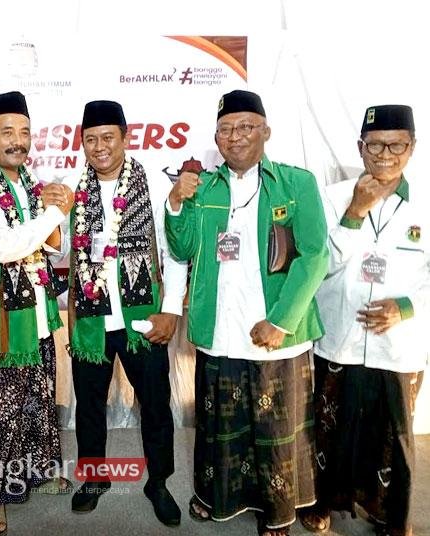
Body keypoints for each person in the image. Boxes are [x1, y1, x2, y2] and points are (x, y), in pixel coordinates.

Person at [165, 89, 329, 536]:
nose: (234, 136)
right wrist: (176, 203)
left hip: (275, 333)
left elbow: (315, 256)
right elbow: (181, 247)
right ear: (215, 137)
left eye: (245, 127)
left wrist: (281, 322)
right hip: (220, 330)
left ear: (266, 131)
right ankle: (217, 496)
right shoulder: (203, 187)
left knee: (276, 430)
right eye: (225, 129)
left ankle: (277, 512)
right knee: (221, 425)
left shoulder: (295, 183)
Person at [0, 90, 74, 536]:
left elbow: (52, 246)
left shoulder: (27, 182)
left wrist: (56, 216)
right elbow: (4, 247)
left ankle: (37, 474)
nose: (17, 141)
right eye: (7, 132)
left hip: (34, 316)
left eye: (24, 132)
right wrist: (54, 213)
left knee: (34, 405)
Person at [300, 105, 424, 536]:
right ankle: (321, 503)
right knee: (329, 428)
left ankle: (391, 515)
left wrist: (405, 306)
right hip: (339, 336)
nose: (385, 155)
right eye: (375, 146)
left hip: (399, 345)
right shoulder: (330, 197)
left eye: (396, 145)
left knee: (393, 436)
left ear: (412, 147)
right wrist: (353, 213)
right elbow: (318, 265)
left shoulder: (426, 203)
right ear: (360, 147)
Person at [65, 100, 187, 527]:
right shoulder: (73, 191)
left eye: (108, 138)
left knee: (155, 406)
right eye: (91, 139)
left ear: (126, 137)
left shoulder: (151, 186)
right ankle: (94, 478)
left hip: (142, 322)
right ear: (82, 142)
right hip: (91, 324)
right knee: (89, 408)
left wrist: (170, 310)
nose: (99, 147)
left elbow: (174, 251)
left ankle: (159, 483)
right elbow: (60, 254)